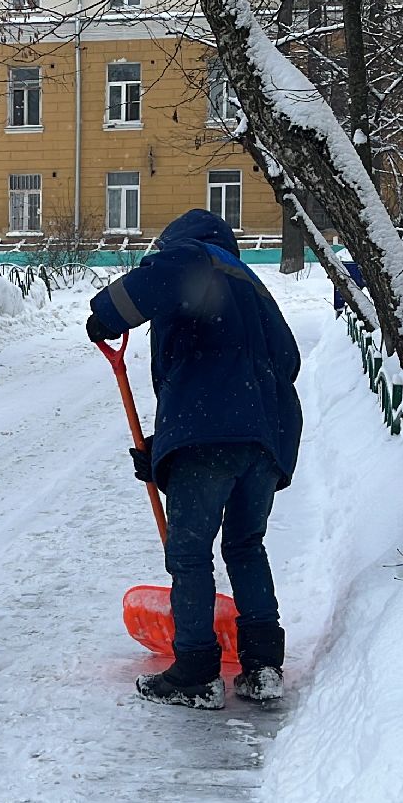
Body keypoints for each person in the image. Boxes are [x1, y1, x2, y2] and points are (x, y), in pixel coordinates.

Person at [85, 209, 302, 710]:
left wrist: (106, 315)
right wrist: (166, 448)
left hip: (209, 437)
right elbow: (274, 370)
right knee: (246, 546)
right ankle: (263, 666)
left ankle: (197, 671)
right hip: (264, 443)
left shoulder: (193, 256)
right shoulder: (254, 286)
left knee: (189, 554)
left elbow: (148, 287)